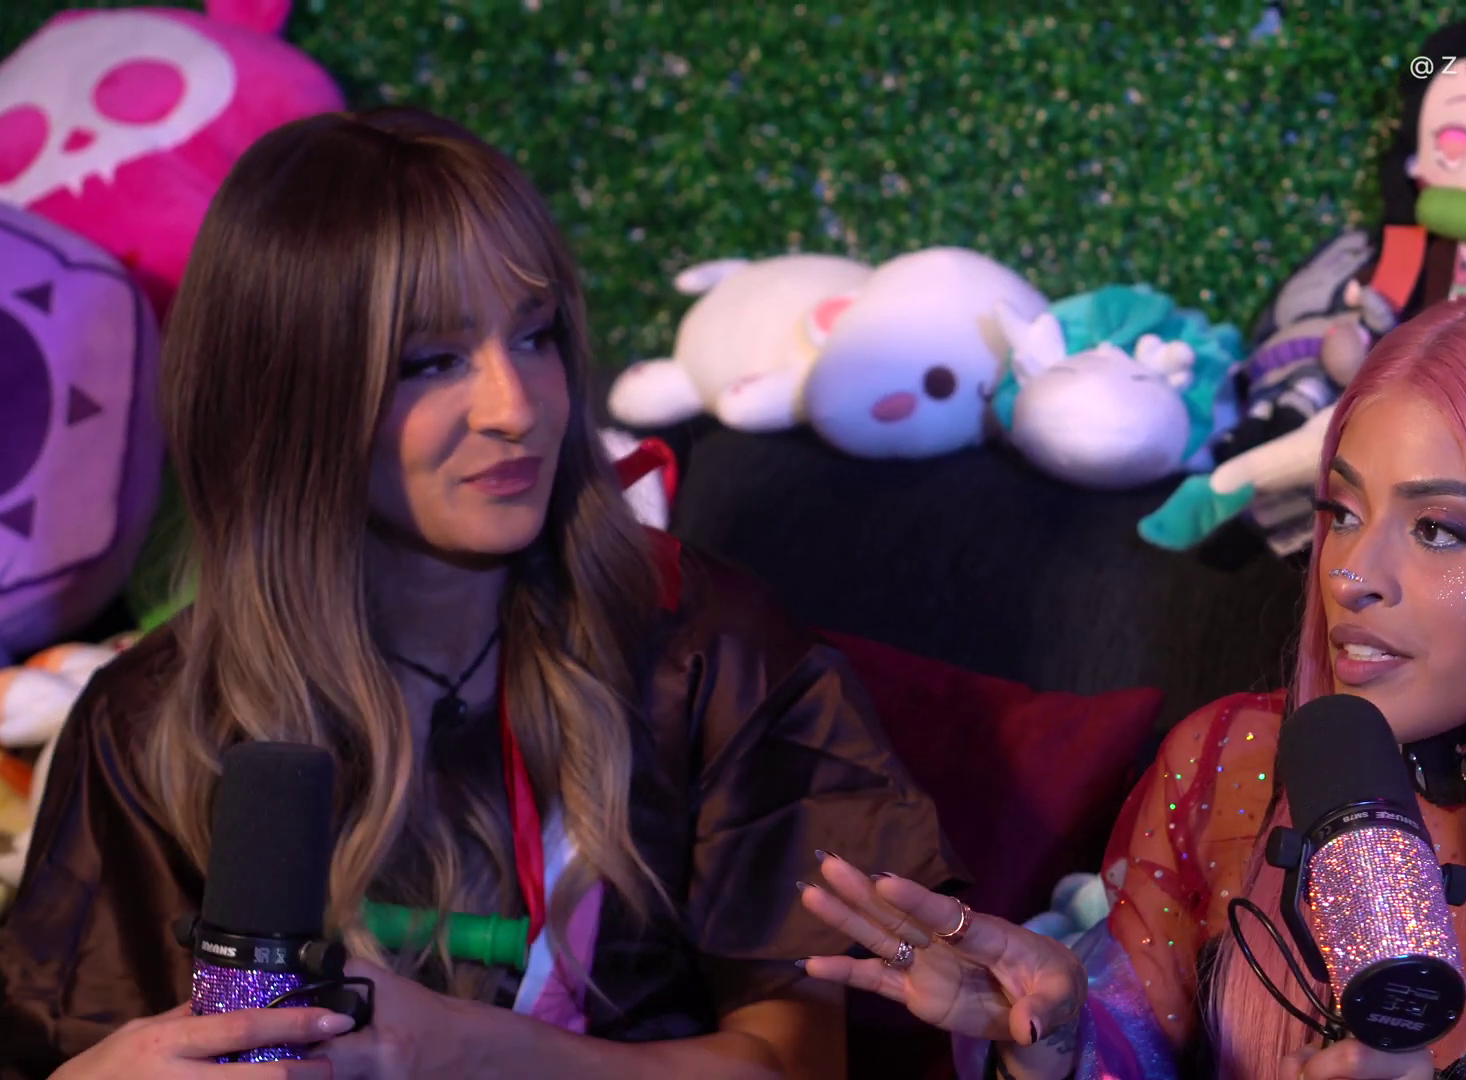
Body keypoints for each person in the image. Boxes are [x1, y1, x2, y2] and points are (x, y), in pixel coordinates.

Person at [0, 106, 962, 1080]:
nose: (517, 407)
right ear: (290, 394)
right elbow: (68, 1041)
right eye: (432, 361)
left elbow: (800, 1067)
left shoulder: (701, 654)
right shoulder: (151, 720)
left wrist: (476, 1048)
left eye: (536, 336)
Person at [796, 287, 1466, 1079]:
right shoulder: (1229, 762)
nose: (1348, 575)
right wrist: (1060, 1041)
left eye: (1439, 528)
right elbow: (1130, 1045)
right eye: (1341, 510)